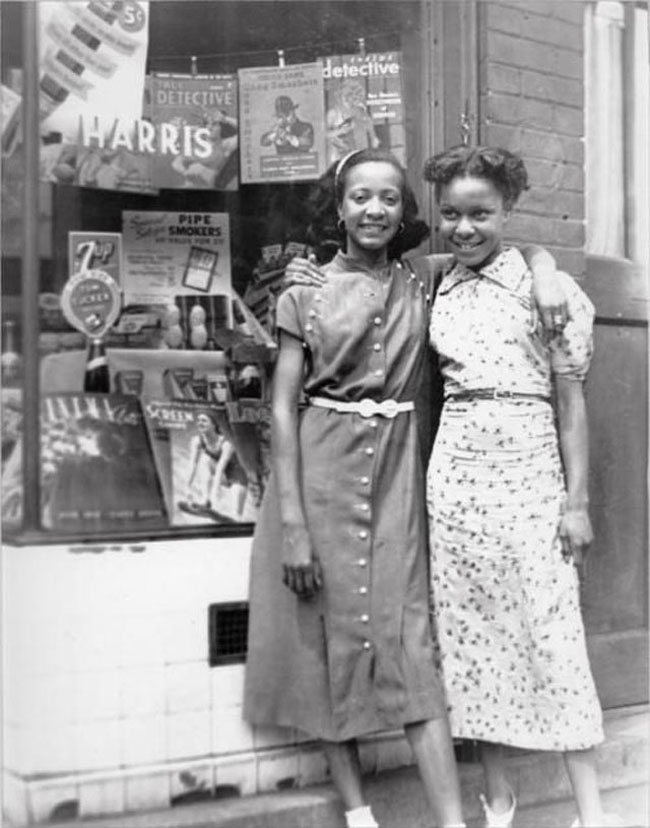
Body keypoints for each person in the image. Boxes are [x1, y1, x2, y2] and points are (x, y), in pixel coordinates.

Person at [244, 148, 467, 828]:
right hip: (318, 474)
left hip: (397, 474)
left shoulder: (425, 281)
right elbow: (283, 406)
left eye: (389, 199)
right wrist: (294, 524)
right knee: (324, 644)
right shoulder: (302, 290)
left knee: (411, 647)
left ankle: (454, 824)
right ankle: (360, 816)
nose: (374, 209)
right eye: (360, 197)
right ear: (338, 207)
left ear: (404, 212)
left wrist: (546, 272)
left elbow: (511, 257)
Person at [423, 144, 619, 828]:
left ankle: (591, 814)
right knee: (472, 642)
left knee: (552, 635)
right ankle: (498, 801)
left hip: (530, 471)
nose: (464, 228)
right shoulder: (434, 283)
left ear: (508, 210)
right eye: (450, 214)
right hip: (455, 479)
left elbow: (571, 401)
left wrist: (577, 504)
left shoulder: (551, 291)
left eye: (480, 213)